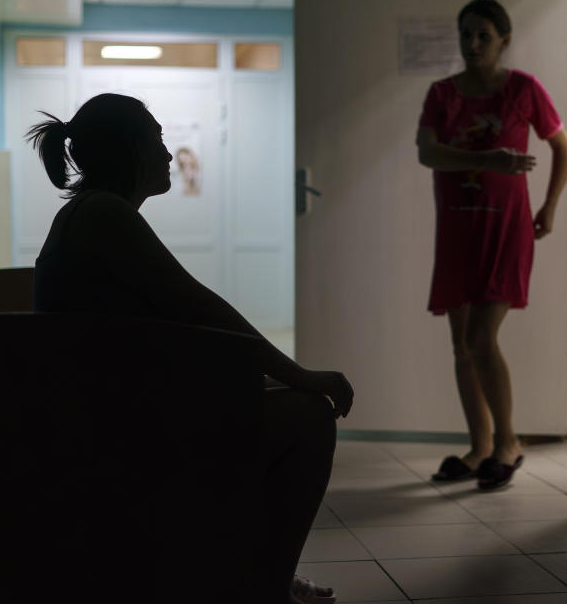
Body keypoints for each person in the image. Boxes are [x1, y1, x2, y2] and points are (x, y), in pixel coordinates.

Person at [27, 93, 350, 604]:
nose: (167, 153)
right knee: (308, 417)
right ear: (127, 150)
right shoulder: (106, 216)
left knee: (265, 396)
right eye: (155, 139)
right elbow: (205, 310)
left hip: (105, 422)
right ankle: (266, 589)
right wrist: (300, 376)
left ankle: (256, 577)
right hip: (118, 441)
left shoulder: (91, 213)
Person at [416, 0, 567, 491]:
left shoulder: (523, 89)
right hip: (457, 230)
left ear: (503, 39)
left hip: (506, 230)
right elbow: (428, 152)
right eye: (467, 34)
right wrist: (490, 160)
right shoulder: (442, 93)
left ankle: (509, 442)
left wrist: (548, 206)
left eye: (484, 34)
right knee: (462, 345)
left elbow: (561, 147)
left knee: (483, 338)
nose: (474, 44)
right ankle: (480, 446)